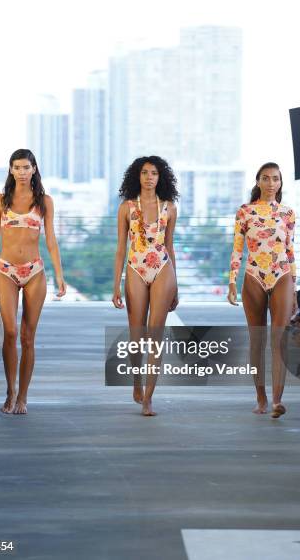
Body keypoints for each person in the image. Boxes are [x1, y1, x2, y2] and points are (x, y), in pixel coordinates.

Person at [0, 149, 66, 415]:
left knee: (27, 337)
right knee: (9, 333)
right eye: (16, 167)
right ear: (10, 170)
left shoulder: (44, 201)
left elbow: (51, 241)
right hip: (5, 270)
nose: (21, 172)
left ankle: (23, 397)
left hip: (34, 271)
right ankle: (9, 390)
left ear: (34, 169)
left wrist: (59, 275)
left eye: (26, 167)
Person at [227, 162, 297, 419]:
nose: (271, 183)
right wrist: (232, 280)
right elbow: (237, 248)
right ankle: (261, 397)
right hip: (254, 276)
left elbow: (290, 250)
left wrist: (295, 283)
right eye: (266, 178)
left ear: (280, 183)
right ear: (258, 182)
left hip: (282, 276)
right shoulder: (245, 212)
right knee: (257, 340)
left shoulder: (288, 213)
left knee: (279, 339)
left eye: (275, 179)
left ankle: (278, 400)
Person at [112, 156, 179, 416]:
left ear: (161, 177)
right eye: (144, 173)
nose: (149, 177)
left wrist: (177, 286)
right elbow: (120, 249)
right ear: (137, 177)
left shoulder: (169, 207)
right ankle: (137, 382)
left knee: (155, 335)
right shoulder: (127, 208)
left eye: (154, 173)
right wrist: (116, 285)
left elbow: (170, 246)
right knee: (137, 336)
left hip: (163, 268)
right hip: (135, 267)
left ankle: (149, 397)